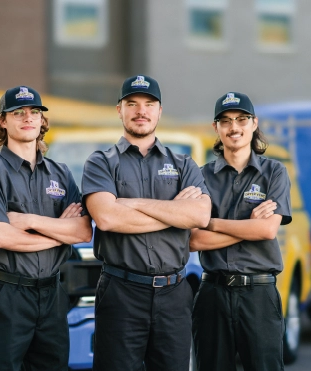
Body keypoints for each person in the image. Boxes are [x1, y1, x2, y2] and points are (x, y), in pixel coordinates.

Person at [81, 74, 211, 371]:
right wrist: (175, 212)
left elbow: (200, 216)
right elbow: (108, 217)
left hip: (174, 293)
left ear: (159, 110)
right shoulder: (101, 162)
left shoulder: (183, 164)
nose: (141, 110)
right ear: (120, 109)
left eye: (149, 104)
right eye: (132, 103)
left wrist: (133, 204)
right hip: (120, 291)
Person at [0, 85, 93, 371]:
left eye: (34, 112)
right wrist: (59, 232)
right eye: (18, 112)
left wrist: (31, 222)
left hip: (52, 293)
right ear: (2, 121)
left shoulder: (60, 173)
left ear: (42, 121)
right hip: (7, 293)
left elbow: (84, 232)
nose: (28, 117)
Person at [190, 92, 292, 371]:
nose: (234, 127)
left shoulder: (274, 173)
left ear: (254, 123)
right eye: (225, 121)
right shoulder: (200, 176)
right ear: (216, 128)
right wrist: (250, 226)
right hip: (212, 293)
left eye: (241, 119)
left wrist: (212, 223)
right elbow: (195, 240)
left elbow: (268, 230)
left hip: (258, 295)